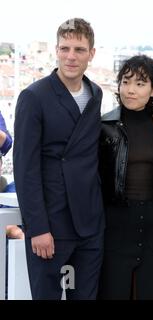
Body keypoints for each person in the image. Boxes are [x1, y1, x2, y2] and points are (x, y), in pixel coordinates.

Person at [13, 18, 104, 300]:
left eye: (79, 49)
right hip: (51, 224)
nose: (71, 56)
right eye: (65, 48)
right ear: (56, 50)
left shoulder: (96, 93)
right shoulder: (34, 96)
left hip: (90, 224)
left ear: (92, 53)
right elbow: (25, 168)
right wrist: (38, 228)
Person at [97, 55, 153, 300]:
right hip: (115, 221)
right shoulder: (103, 125)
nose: (130, 90)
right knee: (113, 291)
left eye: (140, 84)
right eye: (125, 82)